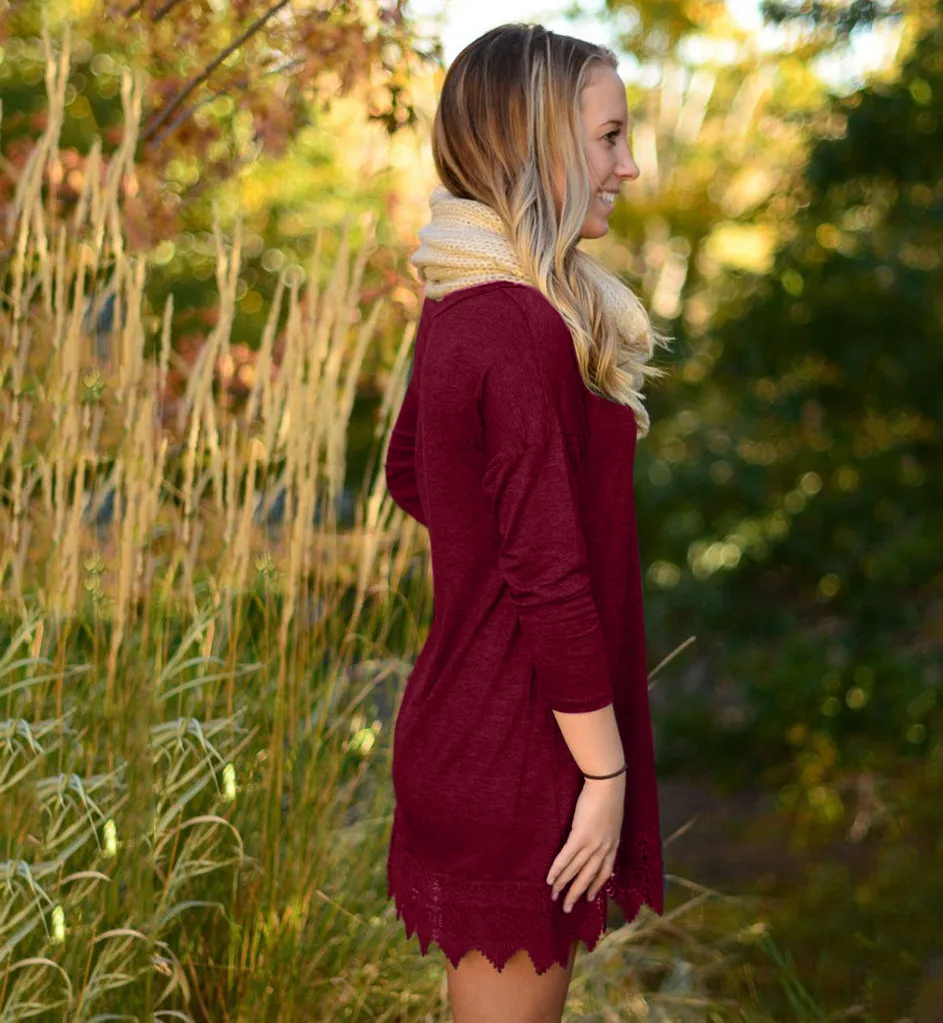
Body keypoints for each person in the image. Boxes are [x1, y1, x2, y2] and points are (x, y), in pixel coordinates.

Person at [383, 22, 672, 1022]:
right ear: (537, 141)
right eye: (609, 138)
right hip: (523, 751)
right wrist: (605, 771)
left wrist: (488, 551)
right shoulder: (517, 325)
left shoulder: (466, 295)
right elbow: (548, 573)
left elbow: (416, 470)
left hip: (477, 721)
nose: (628, 166)